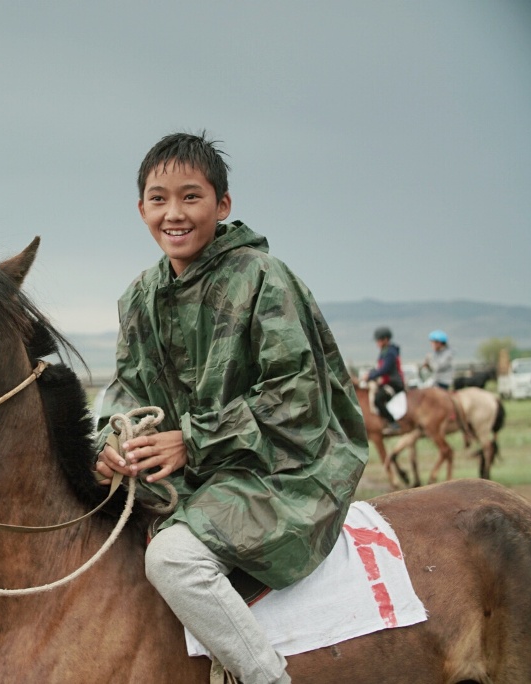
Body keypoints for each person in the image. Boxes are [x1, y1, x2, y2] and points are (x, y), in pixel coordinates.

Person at [92, 132, 368, 684]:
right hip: (201, 473)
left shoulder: (265, 279)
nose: (174, 213)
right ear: (141, 208)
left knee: (173, 561)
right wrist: (112, 444)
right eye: (158, 198)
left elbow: (297, 399)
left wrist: (189, 440)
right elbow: (127, 390)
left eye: (191, 197)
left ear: (223, 205)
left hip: (284, 468)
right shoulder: (139, 297)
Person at [366, 326, 404, 428]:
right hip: (387, 382)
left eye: (379, 340)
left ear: (386, 339)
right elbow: (379, 368)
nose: (377, 343)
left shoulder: (390, 353)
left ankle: (392, 423)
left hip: (394, 383)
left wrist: (370, 375)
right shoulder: (384, 352)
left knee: (378, 399)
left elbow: (384, 369)